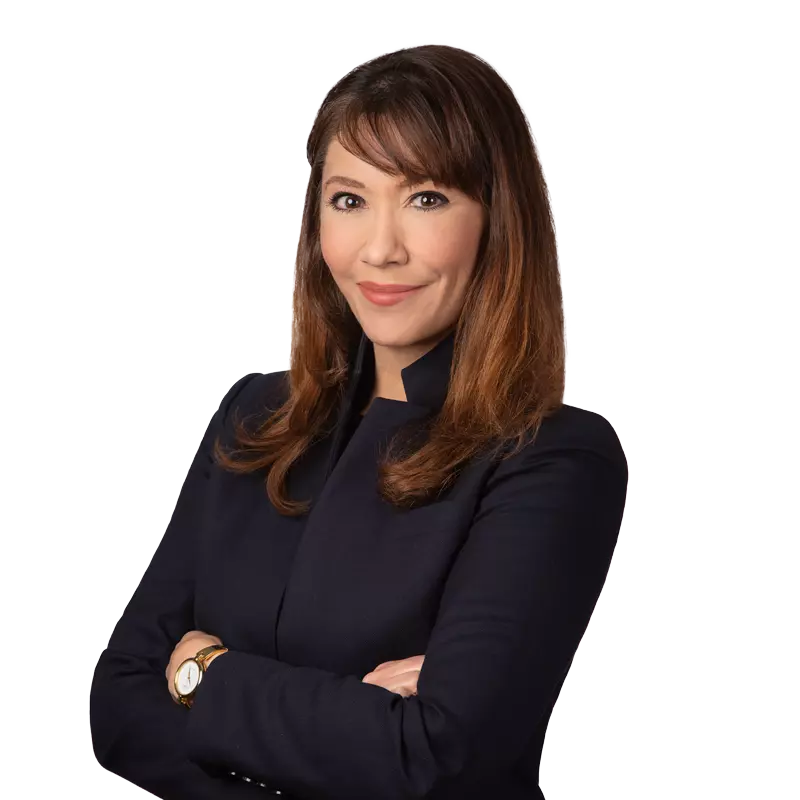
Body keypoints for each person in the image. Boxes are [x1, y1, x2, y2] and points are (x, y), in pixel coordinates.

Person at [89, 42, 629, 800]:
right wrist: (352, 724)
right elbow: (117, 706)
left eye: (426, 199)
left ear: (497, 223)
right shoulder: (255, 418)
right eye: (349, 200)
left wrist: (202, 674)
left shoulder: (553, 459)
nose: (380, 249)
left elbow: (435, 757)